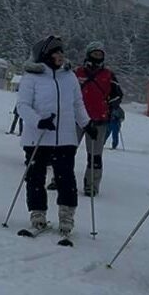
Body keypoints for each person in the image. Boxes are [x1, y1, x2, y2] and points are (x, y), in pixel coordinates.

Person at [17, 35, 93, 239]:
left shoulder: (69, 77)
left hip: (65, 137)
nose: (60, 55)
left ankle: (66, 219)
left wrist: (87, 123)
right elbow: (22, 106)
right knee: (35, 177)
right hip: (38, 137)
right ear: (45, 55)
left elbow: (77, 103)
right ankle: (38, 215)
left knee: (66, 178)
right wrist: (38, 121)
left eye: (61, 52)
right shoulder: (31, 77)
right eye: (56, 52)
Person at [74, 41, 123, 196]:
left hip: (98, 121)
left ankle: (92, 184)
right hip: (76, 118)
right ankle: (59, 177)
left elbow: (118, 95)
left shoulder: (109, 75)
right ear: (89, 54)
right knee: (66, 151)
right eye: (95, 53)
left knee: (94, 155)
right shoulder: (77, 72)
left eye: (100, 54)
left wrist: (110, 105)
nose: (97, 57)